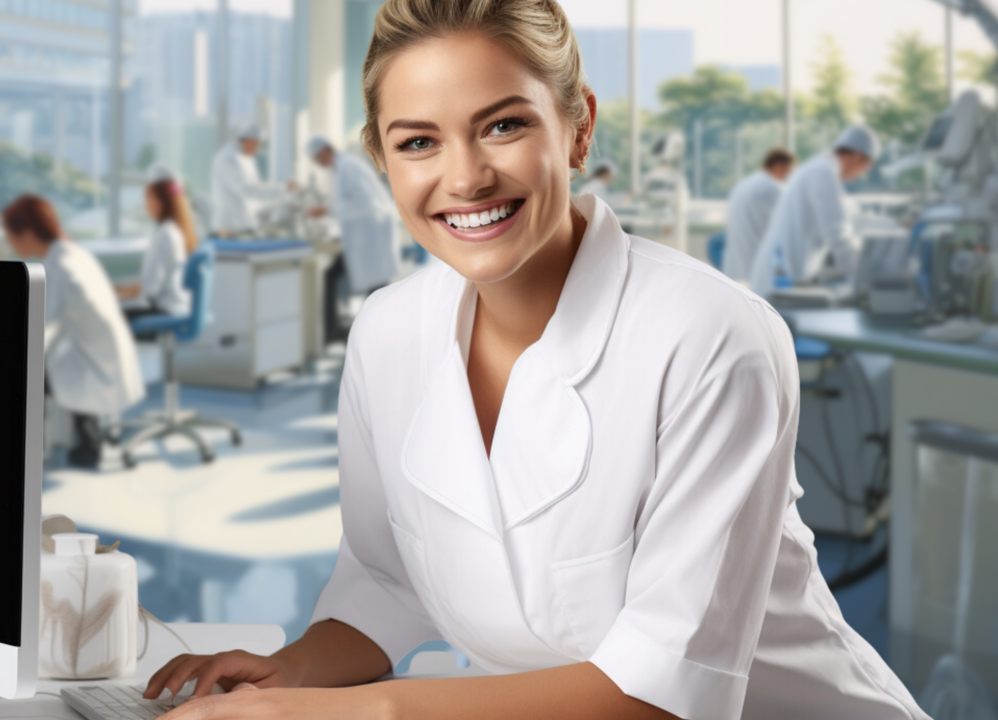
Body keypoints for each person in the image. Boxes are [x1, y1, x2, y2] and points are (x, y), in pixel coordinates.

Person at [143, 2, 927, 719]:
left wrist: (354, 713)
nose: (464, 177)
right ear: (383, 161)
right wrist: (291, 676)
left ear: (578, 127)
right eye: (418, 141)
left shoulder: (708, 334)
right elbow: (386, 583)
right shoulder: (387, 333)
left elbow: (661, 692)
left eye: (503, 126)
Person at [2, 195, 144, 469]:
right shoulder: (71, 252)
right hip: (101, 348)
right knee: (49, 365)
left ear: (28, 234)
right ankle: (87, 439)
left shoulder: (60, 268)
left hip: (96, 356)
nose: (10, 242)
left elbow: (38, 321)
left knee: (29, 375)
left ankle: (33, 454)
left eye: (11, 235)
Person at [749, 126, 880, 298]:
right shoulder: (823, 174)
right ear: (857, 157)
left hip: (782, 275)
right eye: (865, 168)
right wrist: (870, 276)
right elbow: (838, 235)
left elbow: (848, 215)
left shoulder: (820, 169)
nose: (860, 174)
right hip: (782, 280)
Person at [305, 134, 400, 344]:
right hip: (366, 234)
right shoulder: (342, 169)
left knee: (369, 286)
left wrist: (326, 210)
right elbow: (353, 205)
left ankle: (350, 333)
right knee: (372, 286)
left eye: (317, 159)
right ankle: (356, 333)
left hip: (371, 234)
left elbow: (366, 203)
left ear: (325, 152)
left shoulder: (348, 168)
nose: (319, 164)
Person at [119, 168, 198, 322]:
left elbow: (150, 289)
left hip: (163, 310)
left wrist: (119, 293)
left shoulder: (165, 233)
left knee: (109, 312)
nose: (145, 205)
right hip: (174, 306)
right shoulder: (176, 229)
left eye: (148, 198)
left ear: (160, 200)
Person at [722, 148, 794, 282]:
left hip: (735, 265)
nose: (788, 175)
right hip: (755, 265)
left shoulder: (744, 184)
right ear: (779, 166)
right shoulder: (773, 187)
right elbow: (792, 223)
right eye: (788, 170)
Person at [210, 125, 286, 236]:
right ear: (248, 141)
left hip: (245, 224)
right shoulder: (228, 159)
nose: (258, 148)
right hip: (230, 227)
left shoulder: (246, 158)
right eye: (257, 144)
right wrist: (282, 190)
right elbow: (247, 190)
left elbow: (257, 187)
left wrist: (281, 196)